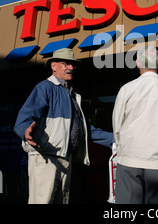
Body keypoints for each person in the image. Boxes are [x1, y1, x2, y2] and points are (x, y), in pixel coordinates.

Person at [13, 48, 114, 204]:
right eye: (66, 63)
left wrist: (119, 138)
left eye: (73, 65)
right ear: (54, 66)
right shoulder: (44, 87)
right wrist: (26, 130)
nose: (71, 68)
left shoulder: (74, 96)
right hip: (46, 156)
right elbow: (25, 117)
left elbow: (87, 130)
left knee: (62, 201)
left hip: (66, 158)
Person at [112, 46, 158, 204]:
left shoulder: (127, 89)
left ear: (137, 63)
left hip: (130, 160)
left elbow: (117, 126)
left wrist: (123, 150)